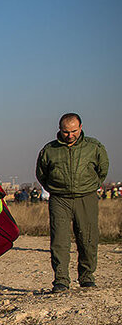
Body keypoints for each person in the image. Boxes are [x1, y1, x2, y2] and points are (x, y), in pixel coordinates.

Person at [35, 113, 109, 292]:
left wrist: (90, 186)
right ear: (59, 130)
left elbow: (102, 170)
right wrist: (56, 188)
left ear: (81, 127)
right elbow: (41, 173)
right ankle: (61, 280)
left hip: (86, 198)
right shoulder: (49, 150)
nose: (70, 135)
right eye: (66, 132)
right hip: (60, 200)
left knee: (88, 239)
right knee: (59, 240)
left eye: (74, 131)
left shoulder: (94, 147)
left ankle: (87, 277)